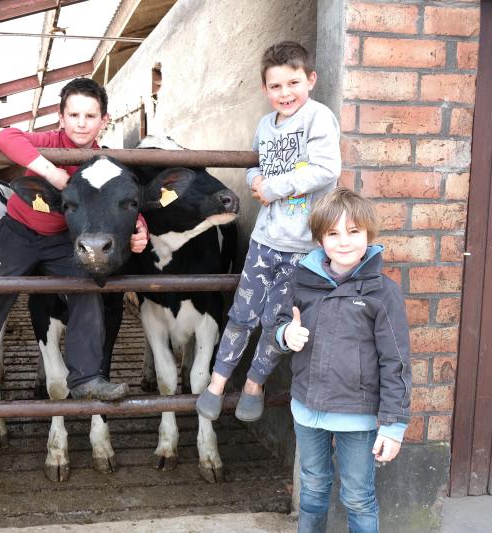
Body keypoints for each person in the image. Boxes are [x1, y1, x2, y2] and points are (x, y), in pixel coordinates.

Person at [0, 78, 148, 406]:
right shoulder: (49, 142)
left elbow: (123, 197)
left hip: (63, 240)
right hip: (18, 231)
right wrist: (50, 171)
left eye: (90, 116)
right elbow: (5, 136)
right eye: (74, 115)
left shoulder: (103, 163)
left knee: (88, 294)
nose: (81, 123)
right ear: (61, 117)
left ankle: (86, 378)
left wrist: (139, 226)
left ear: (104, 120)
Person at [196, 41, 341, 422]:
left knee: (277, 320)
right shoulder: (265, 125)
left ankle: (254, 383)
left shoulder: (318, 117)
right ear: (264, 89)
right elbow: (253, 166)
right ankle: (217, 380)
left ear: (311, 80)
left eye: (293, 83)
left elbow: (327, 169)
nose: (285, 93)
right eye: (275, 86)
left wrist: (274, 187)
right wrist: (257, 177)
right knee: (242, 313)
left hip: (303, 245)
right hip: (265, 239)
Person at [277, 187, 411, 532]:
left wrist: (393, 426)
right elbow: (277, 321)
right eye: (333, 233)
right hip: (308, 409)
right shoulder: (302, 281)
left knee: (357, 496)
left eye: (353, 232)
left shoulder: (383, 292)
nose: (344, 242)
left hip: (358, 416)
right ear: (320, 238)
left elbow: (395, 361)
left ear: (369, 234)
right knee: (313, 486)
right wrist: (285, 334)